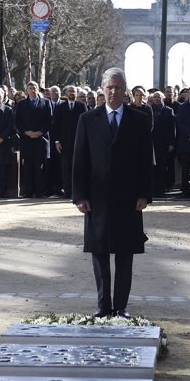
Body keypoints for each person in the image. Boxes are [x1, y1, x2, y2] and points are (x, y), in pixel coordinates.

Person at [72, 67, 153, 319]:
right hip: (96, 199)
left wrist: (144, 194)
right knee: (100, 253)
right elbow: (79, 161)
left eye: (118, 87)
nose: (114, 91)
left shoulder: (139, 119)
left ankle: (120, 306)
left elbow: (145, 161)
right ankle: (103, 306)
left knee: (125, 254)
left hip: (129, 199)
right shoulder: (88, 120)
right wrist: (79, 195)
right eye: (109, 87)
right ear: (102, 90)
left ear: (125, 90)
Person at [14, 81, 51, 198]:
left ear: (38, 89)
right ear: (27, 90)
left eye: (34, 87)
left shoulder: (46, 102)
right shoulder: (21, 104)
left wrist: (40, 132)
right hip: (27, 139)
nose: (32, 90)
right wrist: (26, 132)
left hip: (41, 140)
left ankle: (40, 191)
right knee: (28, 166)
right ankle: (28, 191)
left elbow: (49, 120)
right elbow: (17, 121)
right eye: (30, 88)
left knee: (39, 167)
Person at [52, 85, 87, 198]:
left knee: (77, 168)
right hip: (64, 143)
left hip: (78, 141)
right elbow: (55, 125)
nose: (72, 92)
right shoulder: (60, 107)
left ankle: (76, 192)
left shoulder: (81, 106)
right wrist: (56, 141)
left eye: (74, 91)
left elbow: (86, 124)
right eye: (69, 91)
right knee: (65, 167)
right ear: (65, 93)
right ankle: (67, 191)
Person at [150, 90, 175, 198]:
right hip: (153, 143)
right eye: (155, 97)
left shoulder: (169, 110)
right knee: (153, 167)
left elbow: (172, 128)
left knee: (162, 167)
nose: (156, 99)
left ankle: (161, 190)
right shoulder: (149, 109)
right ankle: (153, 189)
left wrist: (171, 143)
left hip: (164, 143)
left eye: (158, 97)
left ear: (163, 98)